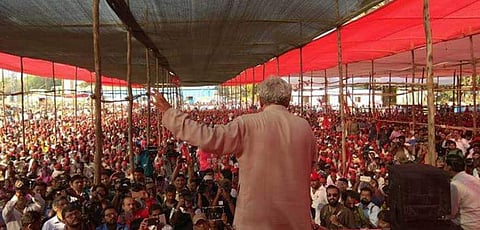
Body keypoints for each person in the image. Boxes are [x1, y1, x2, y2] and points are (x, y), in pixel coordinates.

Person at [152, 78, 317, 230]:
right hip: (297, 221)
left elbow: (208, 137)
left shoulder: (248, 124)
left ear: (260, 101)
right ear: (288, 100)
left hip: (256, 221)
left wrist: (170, 114)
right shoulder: (304, 128)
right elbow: (309, 167)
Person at [443, 154, 480, 230]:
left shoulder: (455, 185)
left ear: (449, 167)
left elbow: (453, 213)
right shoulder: (475, 180)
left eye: (445, 166)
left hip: (466, 225)